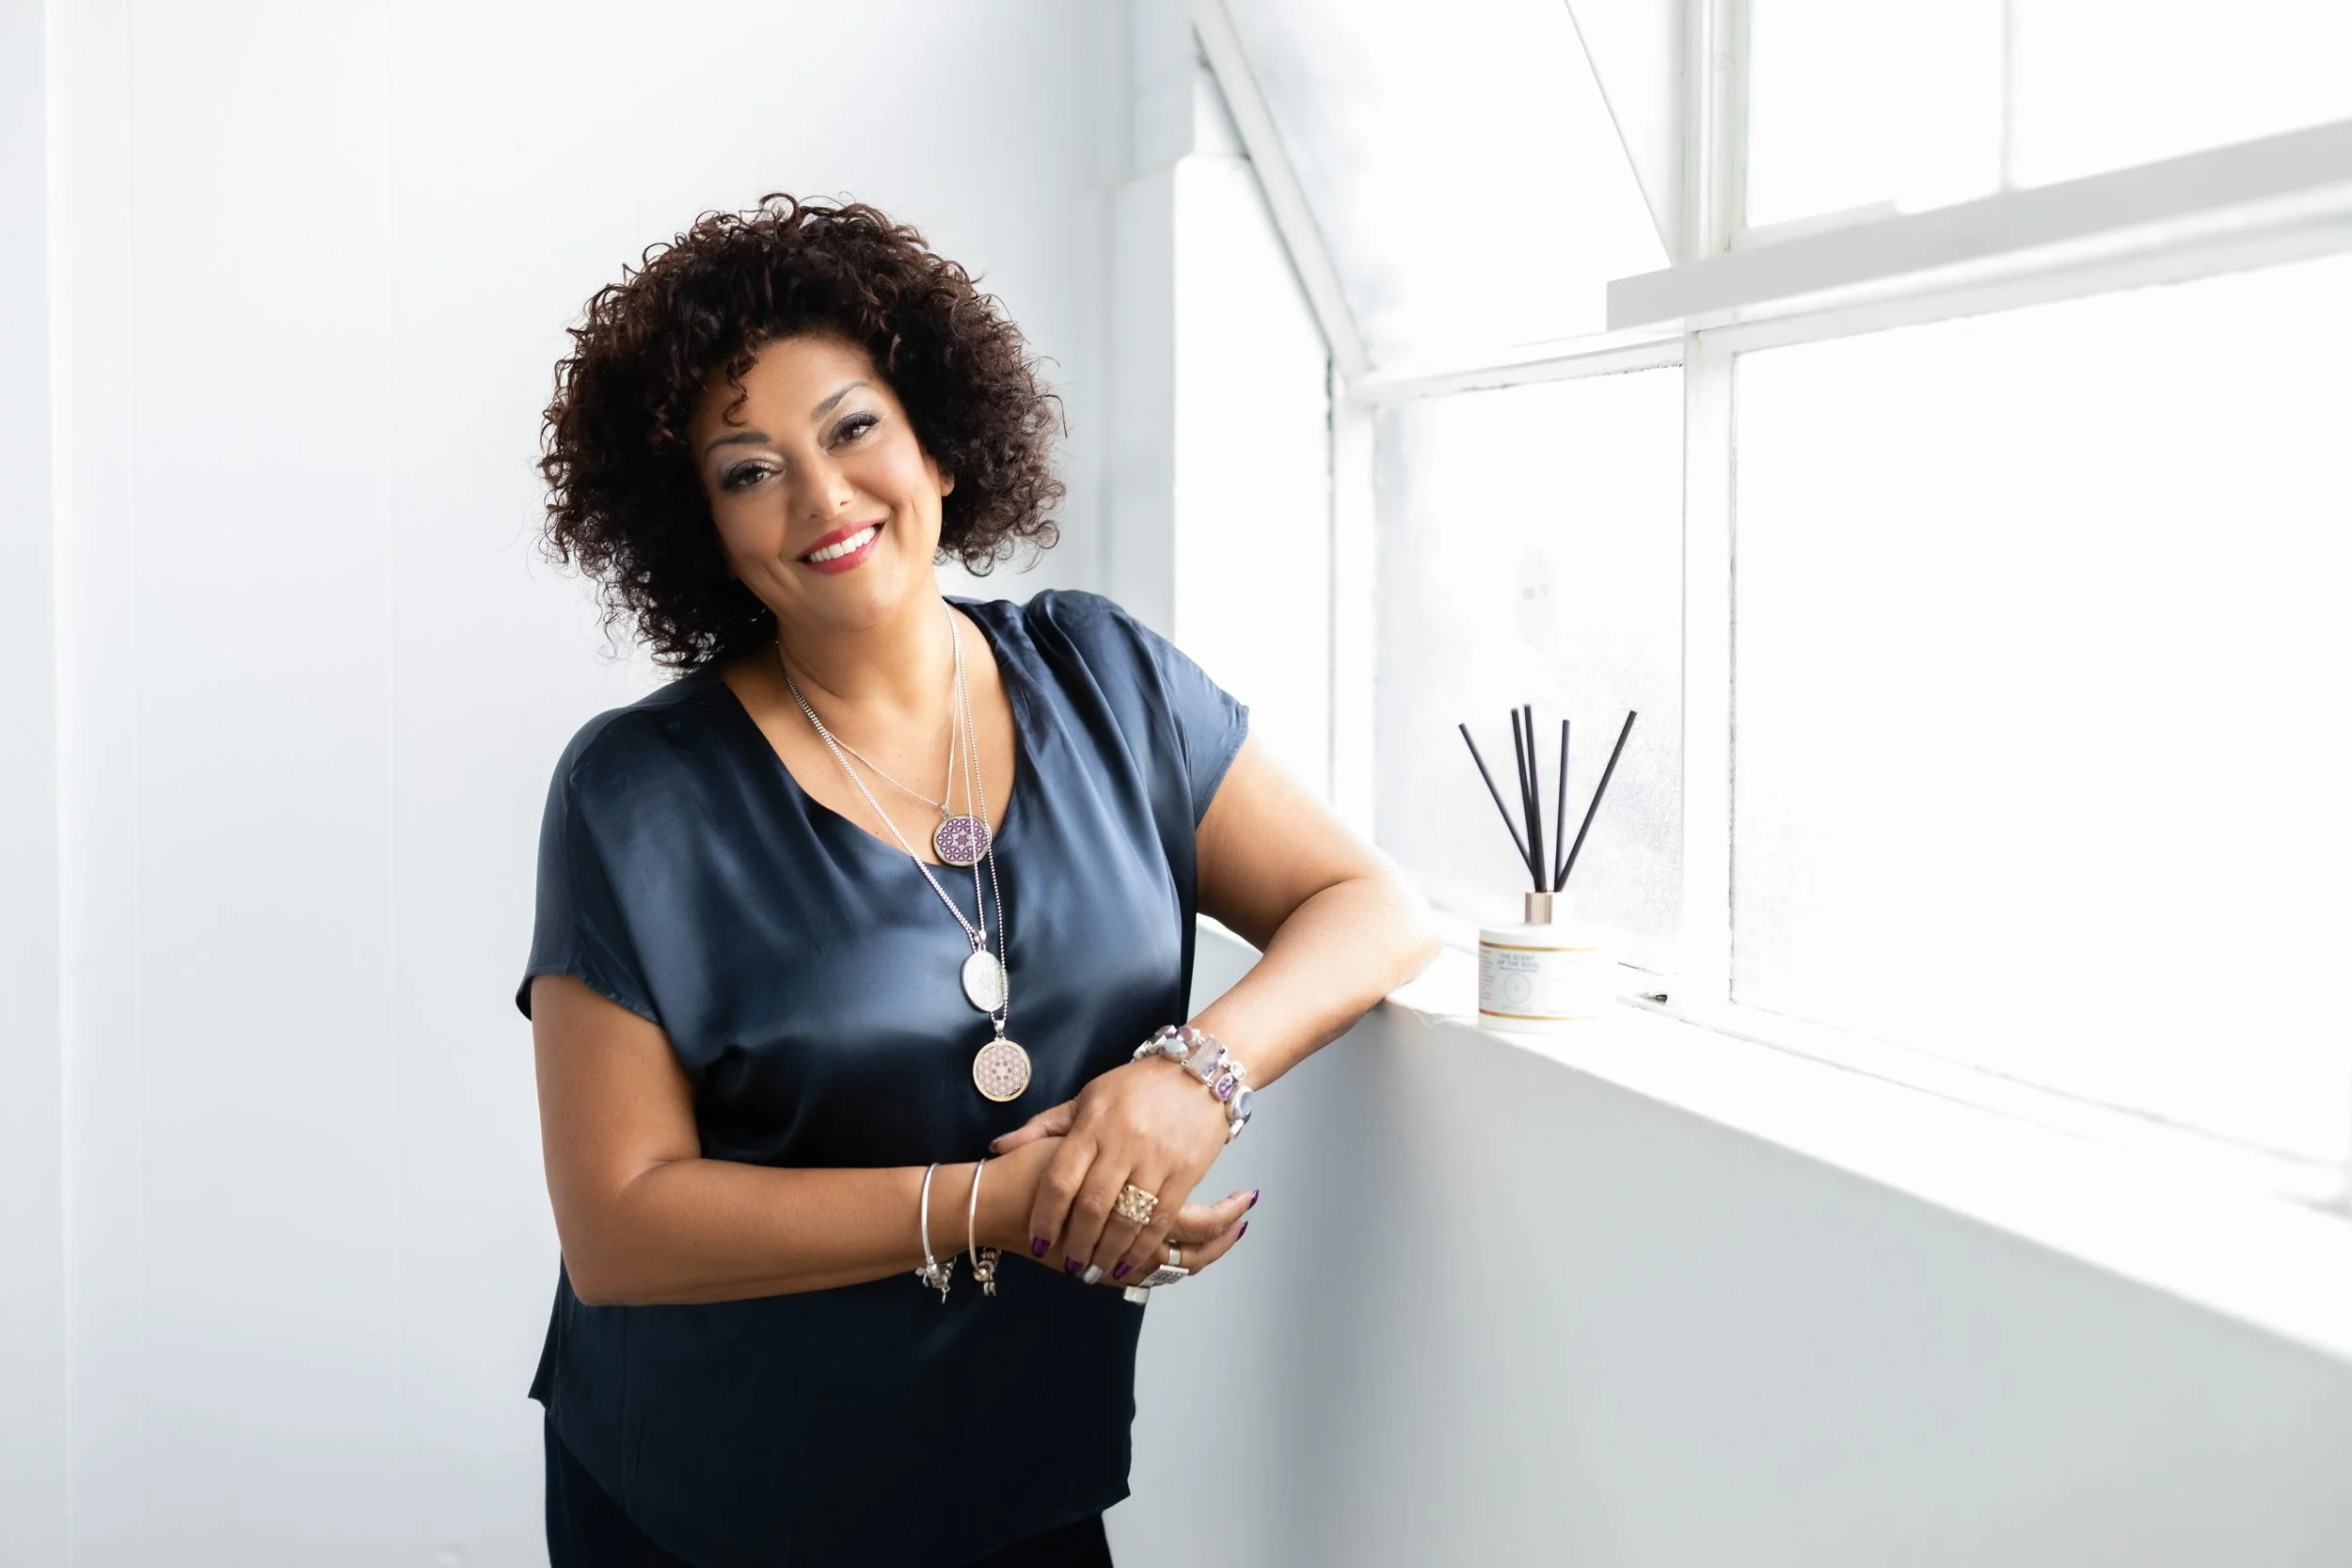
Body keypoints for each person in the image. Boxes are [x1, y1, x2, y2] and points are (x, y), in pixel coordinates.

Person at [518, 193, 1438, 1568]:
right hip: (715, 1503)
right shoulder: (635, 792)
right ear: (700, 529)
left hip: (1018, 1475)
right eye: (748, 469)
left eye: (851, 427)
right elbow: (622, 1226)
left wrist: (1193, 1076)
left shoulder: (1108, 678)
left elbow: (1375, 905)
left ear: (936, 436)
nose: (823, 496)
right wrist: (1000, 1201)